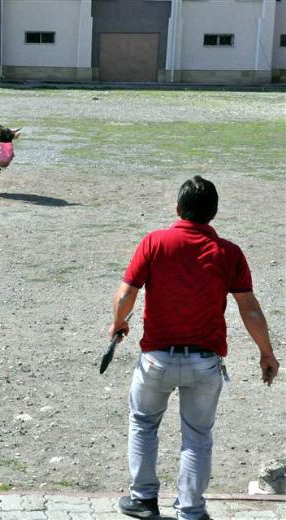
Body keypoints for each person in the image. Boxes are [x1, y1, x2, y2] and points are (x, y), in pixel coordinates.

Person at [109, 176, 279, 520]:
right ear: (214, 213)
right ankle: (190, 509)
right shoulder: (228, 253)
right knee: (197, 435)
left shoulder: (155, 242)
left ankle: (142, 499)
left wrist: (118, 322)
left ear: (177, 208)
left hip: (156, 358)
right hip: (205, 363)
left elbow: (127, 293)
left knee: (143, 423)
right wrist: (266, 353)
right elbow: (250, 309)